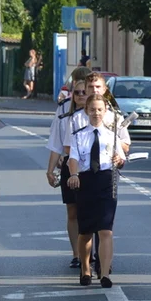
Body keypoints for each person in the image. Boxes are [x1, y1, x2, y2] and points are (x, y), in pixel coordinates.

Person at [66, 94, 125, 287]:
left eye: (100, 109)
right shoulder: (79, 135)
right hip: (85, 182)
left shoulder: (112, 134)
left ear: (105, 111)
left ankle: (105, 273)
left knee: (106, 229)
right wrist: (73, 175)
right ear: (87, 111)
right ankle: (85, 270)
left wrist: (119, 160)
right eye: (93, 109)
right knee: (86, 231)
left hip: (106, 181)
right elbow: (73, 159)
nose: (96, 113)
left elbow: (121, 159)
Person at [46, 67, 98, 269]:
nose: (81, 94)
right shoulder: (63, 110)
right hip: (71, 165)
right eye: (77, 90)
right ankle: (77, 254)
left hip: (91, 167)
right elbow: (56, 142)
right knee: (73, 211)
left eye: (85, 88)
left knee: (92, 211)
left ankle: (93, 252)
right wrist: (50, 169)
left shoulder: (99, 109)